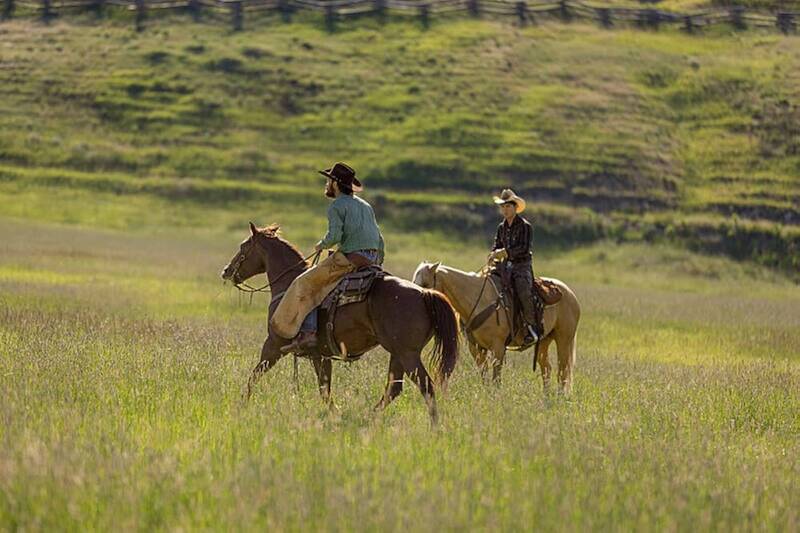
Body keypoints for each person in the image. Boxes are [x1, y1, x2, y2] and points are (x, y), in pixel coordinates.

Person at [274, 162, 385, 354]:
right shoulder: (366, 206)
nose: (326, 184)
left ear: (334, 183)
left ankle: (308, 333)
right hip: (372, 258)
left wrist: (321, 245)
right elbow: (379, 237)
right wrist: (377, 261)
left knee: (306, 283)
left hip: (351, 258)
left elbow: (334, 236)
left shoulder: (336, 206)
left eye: (328, 181)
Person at [488, 188, 539, 344]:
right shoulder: (501, 227)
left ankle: (532, 327)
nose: (505, 209)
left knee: (523, 290)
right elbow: (496, 245)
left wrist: (504, 252)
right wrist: (493, 255)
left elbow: (524, 249)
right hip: (505, 266)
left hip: (521, 266)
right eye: (503, 207)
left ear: (515, 207)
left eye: (508, 206)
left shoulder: (525, 226)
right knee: (487, 282)